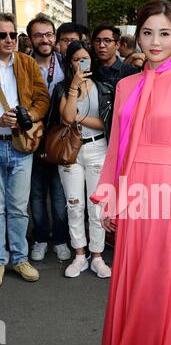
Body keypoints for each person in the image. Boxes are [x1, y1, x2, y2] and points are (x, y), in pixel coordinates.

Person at [90, 0, 171, 345]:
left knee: (159, 290)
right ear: (137, 36)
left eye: (165, 33)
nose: (155, 42)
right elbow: (115, 146)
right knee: (130, 285)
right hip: (132, 188)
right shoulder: (124, 86)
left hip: (166, 193)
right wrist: (109, 195)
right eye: (148, 32)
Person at [0, 13, 49, 286]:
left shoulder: (27, 63)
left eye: (12, 34)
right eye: (2, 35)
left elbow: (43, 98)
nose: (9, 40)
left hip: (21, 144)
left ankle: (19, 258)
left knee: (18, 207)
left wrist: (28, 115)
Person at [55, 41, 112, 278]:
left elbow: (105, 123)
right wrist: (74, 87)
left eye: (85, 58)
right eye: (77, 59)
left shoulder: (103, 87)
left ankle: (97, 256)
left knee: (97, 207)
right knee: (74, 204)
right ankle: (80, 254)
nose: (81, 63)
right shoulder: (62, 88)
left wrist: (79, 117)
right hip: (71, 151)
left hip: (98, 148)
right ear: (70, 62)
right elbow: (67, 118)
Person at [26, 13, 70, 262]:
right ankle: (41, 238)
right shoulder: (22, 64)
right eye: (38, 35)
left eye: (48, 34)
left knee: (60, 192)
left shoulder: (65, 62)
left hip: (60, 138)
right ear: (30, 39)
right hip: (31, 137)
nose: (44, 39)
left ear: (54, 36)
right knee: (36, 193)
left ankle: (61, 239)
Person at [91, 24, 139, 89]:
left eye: (107, 41)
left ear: (117, 45)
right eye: (98, 40)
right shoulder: (89, 71)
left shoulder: (130, 72)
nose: (101, 45)